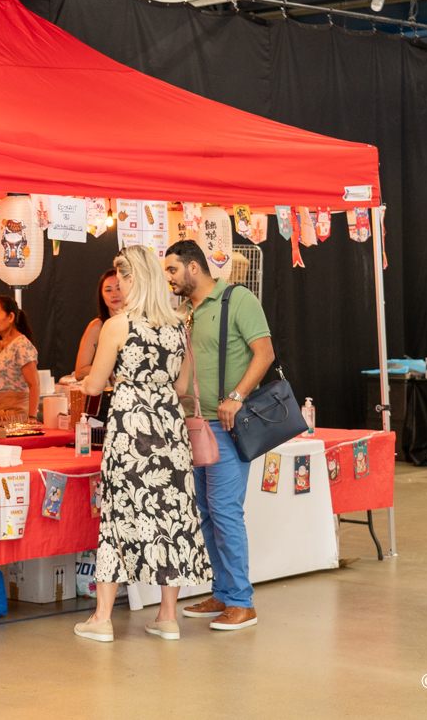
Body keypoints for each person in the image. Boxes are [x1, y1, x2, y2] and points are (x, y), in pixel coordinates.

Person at [74, 245, 211, 643]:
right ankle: (167, 616)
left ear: (133, 279)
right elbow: (183, 387)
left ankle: (102, 619)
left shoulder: (119, 325)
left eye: (122, 278)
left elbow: (95, 384)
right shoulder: (178, 326)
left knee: (119, 515)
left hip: (130, 428)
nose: (118, 286)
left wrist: (99, 382)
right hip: (168, 427)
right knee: (172, 518)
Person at [163, 239, 274, 632]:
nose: (170, 278)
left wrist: (236, 397)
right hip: (194, 425)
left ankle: (243, 601)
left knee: (225, 512)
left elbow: (265, 353)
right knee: (207, 513)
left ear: (194, 267)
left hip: (227, 425)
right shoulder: (186, 313)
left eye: (173, 270)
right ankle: (224, 592)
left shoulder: (236, 300)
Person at [72, 269, 124, 380]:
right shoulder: (97, 326)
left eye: (119, 288)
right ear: (101, 295)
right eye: (108, 290)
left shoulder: (139, 324)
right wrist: (109, 371)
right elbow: (80, 372)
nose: (114, 294)